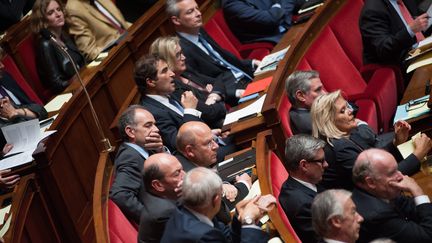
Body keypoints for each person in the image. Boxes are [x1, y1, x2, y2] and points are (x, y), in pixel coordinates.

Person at [310, 90, 432, 190]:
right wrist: (418, 154)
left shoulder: (350, 133)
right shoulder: (340, 150)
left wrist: (396, 142)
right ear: (329, 122)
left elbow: (376, 162)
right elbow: (382, 181)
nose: (351, 111)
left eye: (347, 106)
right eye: (343, 111)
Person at [166, 0, 261, 105]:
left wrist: (251, 63)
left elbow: (223, 58)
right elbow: (202, 84)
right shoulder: (180, 50)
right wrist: (234, 92)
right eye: (190, 11)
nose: (198, 13)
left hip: (245, 76)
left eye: (197, 8)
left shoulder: (199, 31)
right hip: (232, 94)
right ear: (176, 20)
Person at [161, 167, 272, 243]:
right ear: (216, 199)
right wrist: (249, 221)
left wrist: (239, 217)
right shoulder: (203, 236)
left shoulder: (191, 208)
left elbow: (225, 238)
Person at [352, 148, 432, 242]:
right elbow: (428, 237)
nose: (401, 176)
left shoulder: (381, 190)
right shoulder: (376, 215)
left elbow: (411, 207)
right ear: (370, 182)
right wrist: (417, 191)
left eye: (397, 169)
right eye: (392, 173)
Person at [149, 36, 226, 128]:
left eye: (182, 53)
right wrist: (219, 100)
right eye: (178, 55)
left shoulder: (185, 71)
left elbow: (218, 81)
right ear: (166, 60)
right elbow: (210, 114)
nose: (184, 57)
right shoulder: (173, 89)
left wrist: (212, 97)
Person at [109, 105, 167, 224]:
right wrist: (153, 220)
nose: (156, 129)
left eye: (154, 124)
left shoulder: (148, 148)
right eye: (148, 125)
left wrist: (160, 151)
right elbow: (120, 195)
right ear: (130, 132)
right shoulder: (129, 157)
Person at [134, 54, 204, 152]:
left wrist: (211, 133)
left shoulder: (169, 93)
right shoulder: (151, 113)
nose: (172, 74)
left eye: (169, 69)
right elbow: (179, 143)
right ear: (150, 82)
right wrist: (190, 111)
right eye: (164, 71)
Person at [175, 121, 248, 209]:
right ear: (190, 151)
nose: (216, 146)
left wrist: (222, 184)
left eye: (213, 140)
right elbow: (221, 210)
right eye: (208, 143)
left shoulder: (189, 159)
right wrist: (244, 184)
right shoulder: (193, 179)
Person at [279, 134, 327, 243]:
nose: (326, 164)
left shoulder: (309, 180)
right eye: (321, 161)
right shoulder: (302, 205)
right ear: (304, 165)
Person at [31, 0, 85, 93]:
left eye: (58, 9)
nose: (58, 14)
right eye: (51, 13)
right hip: (70, 93)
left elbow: (80, 62)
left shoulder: (63, 34)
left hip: (83, 82)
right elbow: (56, 84)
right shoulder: (45, 45)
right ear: (43, 20)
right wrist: (74, 80)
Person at [0, 48, 48, 147]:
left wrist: (17, 112)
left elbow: (40, 110)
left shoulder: (5, 78)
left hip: (36, 133)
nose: (2, 66)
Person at [359, 0, 430, 68]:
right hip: (400, 61)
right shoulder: (372, 11)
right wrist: (410, 30)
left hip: (421, 48)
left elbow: (419, 14)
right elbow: (384, 48)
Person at [138, 153, 184, 243]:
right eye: (177, 174)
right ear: (158, 185)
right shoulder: (165, 213)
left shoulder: (154, 194)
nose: (185, 175)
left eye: (182, 170)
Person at [65, 0, 131, 61]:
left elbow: (121, 25)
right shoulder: (73, 9)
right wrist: (115, 50)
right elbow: (91, 53)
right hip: (117, 57)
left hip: (131, 39)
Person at [221, 0, 300, 44]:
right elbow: (270, 19)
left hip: (288, 24)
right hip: (272, 38)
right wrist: (279, 6)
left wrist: (278, 8)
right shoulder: (231, 3)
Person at [285, 70, 326, 135]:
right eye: (318, 90)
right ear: (300, 96)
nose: (324, 94)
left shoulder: (298, 110)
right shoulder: (311, 126)